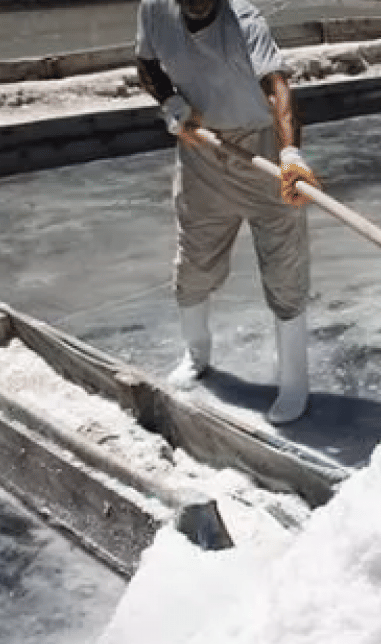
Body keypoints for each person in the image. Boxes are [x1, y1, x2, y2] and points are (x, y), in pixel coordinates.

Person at [134, 0, 320, 423]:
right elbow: (146, 64)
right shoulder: (154, 9)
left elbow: (277, 87)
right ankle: (196, 356)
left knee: (284, 269)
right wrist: (169, 101)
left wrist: (291, 152)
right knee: (193, 264)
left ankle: (294, 383)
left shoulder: (244, 20)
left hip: (262, 151)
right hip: (203, 152)